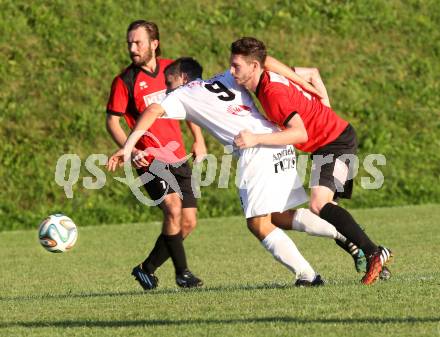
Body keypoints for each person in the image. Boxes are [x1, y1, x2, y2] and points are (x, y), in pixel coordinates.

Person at [108, 57, 365, 286]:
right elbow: (266, 61)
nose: (166, 88)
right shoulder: (226, 77)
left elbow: (152, 110)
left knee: (258, 223)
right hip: (279, 141)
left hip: (255, 149)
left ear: (183, 78)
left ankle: (308, 276)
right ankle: (347, 236)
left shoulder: (183, 92)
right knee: (278, 215)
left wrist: (128, 147)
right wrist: (303, 79)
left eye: (169, 81)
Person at [230, 37, 393, 285]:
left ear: (254, 66)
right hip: (326, 143)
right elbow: (313, 73)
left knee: (319, 204)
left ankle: (373, 253)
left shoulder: (272, 92)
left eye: (236, 66)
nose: (231, 71)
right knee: (328, 211)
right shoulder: (268, 74)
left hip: (336, 142)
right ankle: (372, 257)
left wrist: (254, 139)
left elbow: (299, 133)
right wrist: (325, 104)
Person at [106, 20, 206, 290]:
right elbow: (112, 122)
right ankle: (182, 273)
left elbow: (188, 104)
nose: (132, 47)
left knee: (188, 221)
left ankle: (146, 269)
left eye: (137, 42)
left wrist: (198, 139)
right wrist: (133, 149)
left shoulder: (171, 70)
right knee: (172, 208)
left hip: (178, 156)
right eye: (129, 42)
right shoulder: (124, 81)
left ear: (154, 43)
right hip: (149, 161)